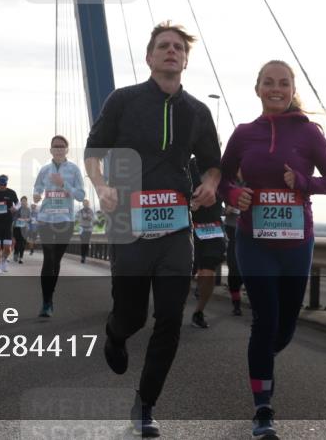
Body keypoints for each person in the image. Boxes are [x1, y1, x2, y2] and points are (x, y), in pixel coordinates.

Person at [84, 22, 221, 437]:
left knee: (169, 319)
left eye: (178, 47)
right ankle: (115, 332)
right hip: (128, 223)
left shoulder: (198, 111)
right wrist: (102, 185)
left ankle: (145, 404)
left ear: (185, 59)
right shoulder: (123, 101)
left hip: (177, 228)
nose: (171, 51)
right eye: (163, 46)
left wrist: (211, 184)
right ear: (149, 57)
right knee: (132, 314)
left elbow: (214, 162)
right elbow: (94, 152)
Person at [218, 59, 326, 438]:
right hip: (253, 241)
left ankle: (262, 363)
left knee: (286, 327)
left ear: (291, 90)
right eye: (269, 82)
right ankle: (263, 409)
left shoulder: (309, 134)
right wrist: (235, 194)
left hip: (296, 243)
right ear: (257, 88)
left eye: (283, 83)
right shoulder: (243, 134)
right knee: (265, 320)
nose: (276, 88)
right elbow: (221, 178)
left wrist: (303, 182)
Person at [32, 135, 86, 316]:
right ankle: (46, 302)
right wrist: (36, 195)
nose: (58, 149)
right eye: (55, 146)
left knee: (55, 261)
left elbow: (80, 195)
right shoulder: (44, 170)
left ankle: (49, 297)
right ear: (50, 150)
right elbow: (37, 188)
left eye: (62, 146)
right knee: (48, 260)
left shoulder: (74, 170)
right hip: (46, 219)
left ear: (67, 149)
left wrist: (63, 184)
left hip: (66, 220)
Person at [188, 157, 226, 329]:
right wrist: (188, 203)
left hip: (213, 226)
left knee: (208, 270)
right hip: (190, 226)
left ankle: (199, 312)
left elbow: (230, 187)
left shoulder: (219, 166)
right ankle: (169, 309)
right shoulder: (187, 163)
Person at [224, 204, 243, 316]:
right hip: (232, 227)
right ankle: (236, 303)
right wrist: (226, 209)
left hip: (253, 228)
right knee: (233, 266)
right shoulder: (228, 185)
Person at [12, 196, 31, 263]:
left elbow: (30, 218)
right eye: (22, 201)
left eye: (25, 201)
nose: (23, 202)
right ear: (21, 202)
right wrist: (18, 219)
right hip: (17, 228)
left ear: (26, 202)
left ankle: (21, 257)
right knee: (18, 242)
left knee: (23, 243)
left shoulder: (28, 210)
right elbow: (13, 218)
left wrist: (27, 219)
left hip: (25, 228)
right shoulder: (18, 209)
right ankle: (16, 253)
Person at [78, 198, 95, 263]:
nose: (86, 205)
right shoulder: (80, 211)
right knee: (83, 243)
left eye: (87, 203)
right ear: (83, 204)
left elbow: (93, 219)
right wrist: (83, 218)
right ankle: (83, 257)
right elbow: (79, 219)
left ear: (88, 204)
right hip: (82, 228)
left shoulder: (91, 211)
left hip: (89, 229)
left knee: (87, 243)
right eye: (84, 203)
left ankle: (84, 255)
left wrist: (90, 218)